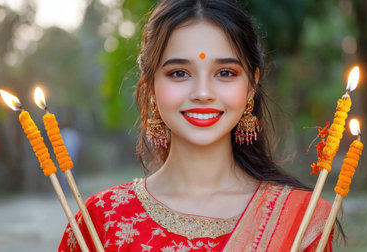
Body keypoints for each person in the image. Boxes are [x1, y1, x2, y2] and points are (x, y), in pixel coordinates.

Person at [59, 0, 336, 251]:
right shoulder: (100, 221)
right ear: (150, 86)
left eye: (225, 73)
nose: (203, 93)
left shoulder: (301, 221)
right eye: (179, 73)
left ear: (251, 86)